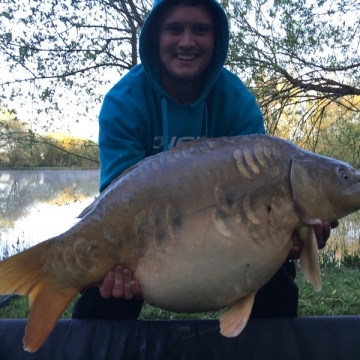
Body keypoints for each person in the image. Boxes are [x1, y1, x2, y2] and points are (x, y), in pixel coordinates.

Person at [72, 0, 337, 320]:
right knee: (104, 293)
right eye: (174, 29)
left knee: (276, 278)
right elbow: (115, 201)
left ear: (217, 37)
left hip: (227, 235)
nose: (187, 41)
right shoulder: (123, 103)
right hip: (142, 241)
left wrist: (292, 238)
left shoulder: (238, 104)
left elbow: (265, 200)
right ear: (157, 36)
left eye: (200, 29)